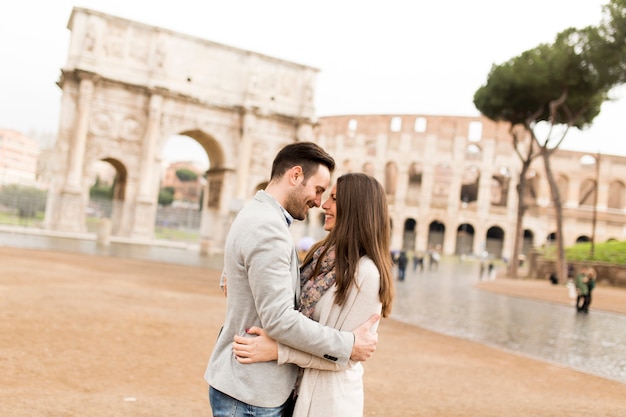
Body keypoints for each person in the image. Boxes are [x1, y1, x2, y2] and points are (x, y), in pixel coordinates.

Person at [204, 142, 380, 417]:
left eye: (328, 196)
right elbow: (280, 319)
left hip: (252, 386)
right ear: (295, 176)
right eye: (319, 190)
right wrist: (348, 345)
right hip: (252, 390)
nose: (320, 202)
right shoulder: (269, 228)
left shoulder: (258, 214)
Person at [233, 173, 394, 416]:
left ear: (356, 209)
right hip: (297, 392)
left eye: (335, 199)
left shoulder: (367, 275)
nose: (324, 205)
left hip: (328, 401)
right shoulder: (321, 254)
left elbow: (348, 357)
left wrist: (280, 351)